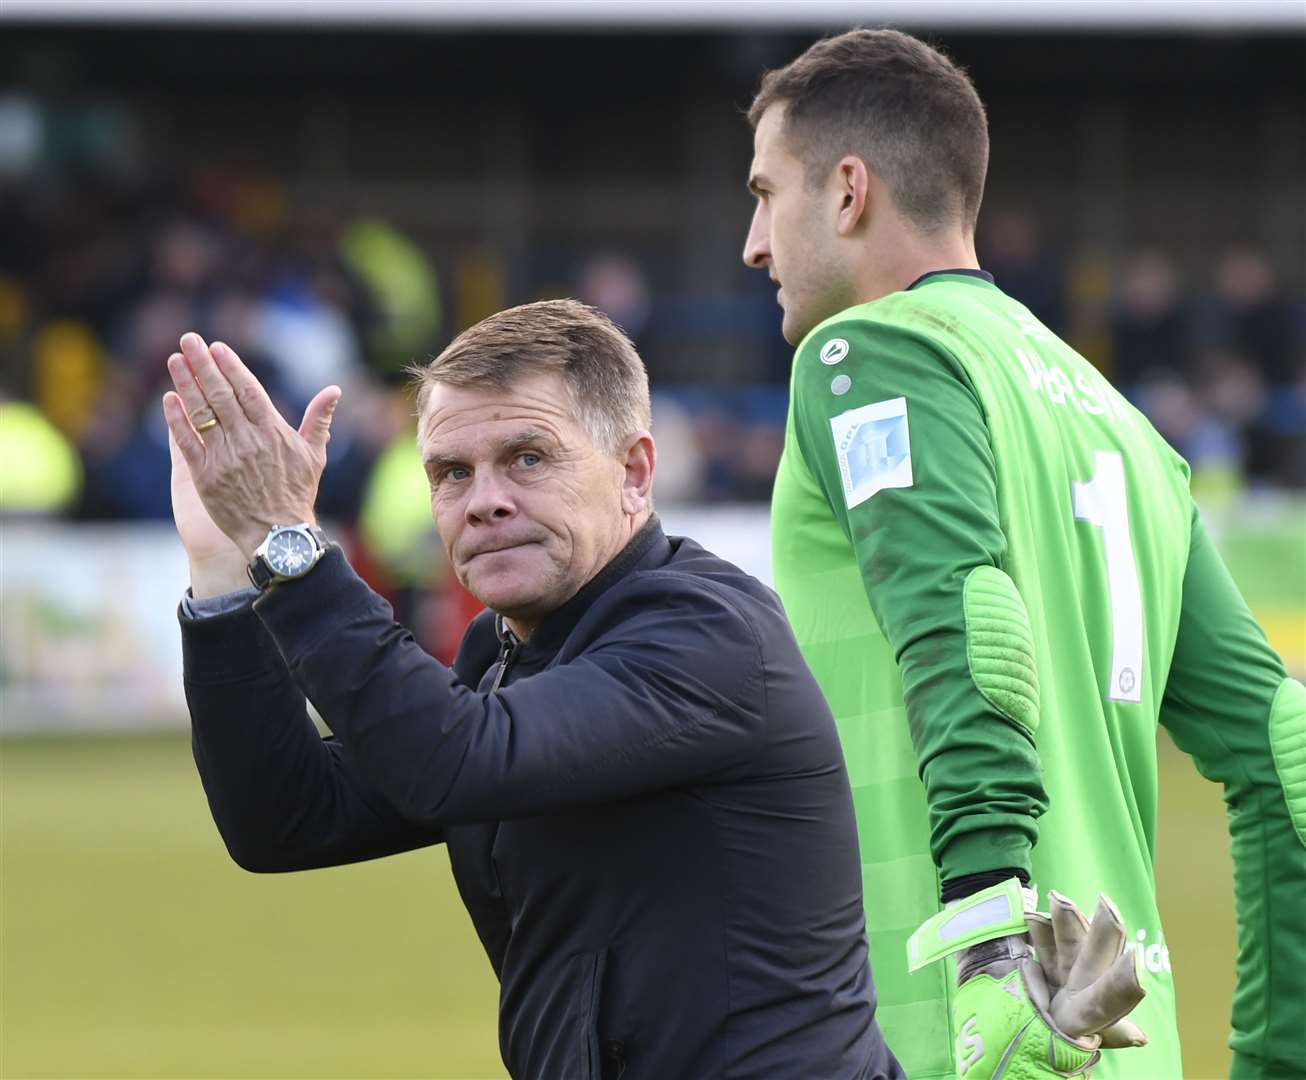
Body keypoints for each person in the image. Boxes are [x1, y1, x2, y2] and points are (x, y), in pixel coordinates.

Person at [742, 28, 1306, 1080]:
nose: (752, 243)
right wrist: (1278, 1058)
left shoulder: (871, 353)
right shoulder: (1129, 429)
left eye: (766, 193)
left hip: (961, 1031)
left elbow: (962, 628)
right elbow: (1285, 752)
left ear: (848, 191)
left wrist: (991, 956)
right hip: (1131, 1044)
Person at [160, 301, 904, 1080]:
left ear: (635, 472)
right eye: (452, 473)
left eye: (527, 458)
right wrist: (223, 564)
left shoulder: (707, 630)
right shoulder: (502, 652)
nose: (484, 499)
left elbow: (457, 760)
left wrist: (291, 545)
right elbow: (289, 820)